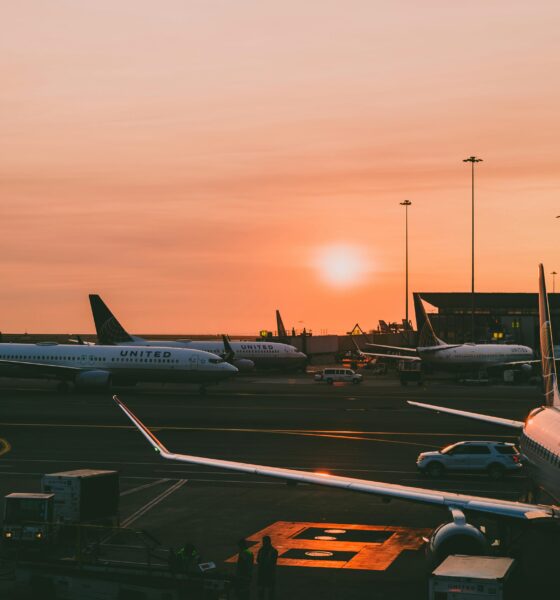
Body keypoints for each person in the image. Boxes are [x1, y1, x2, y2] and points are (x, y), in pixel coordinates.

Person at [257, 536, 278, 600]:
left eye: (264, 542)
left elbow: (258, 560)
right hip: (267, 572)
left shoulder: (262, 550)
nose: (263, 543)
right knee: (267, 589)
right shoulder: (273, 551)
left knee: (265, 590)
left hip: (266, 572)